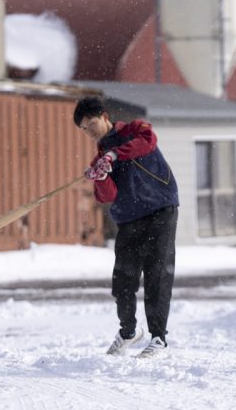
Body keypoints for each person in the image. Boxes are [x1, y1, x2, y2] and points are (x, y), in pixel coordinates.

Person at [73, 96, 179, 359]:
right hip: (129, 219)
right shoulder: (99, 159)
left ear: (105, 116)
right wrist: (101, 176)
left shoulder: (136, 130)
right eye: (83, 129)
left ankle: (158, 339)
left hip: (160, 210)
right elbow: (107, 197)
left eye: (92, 123)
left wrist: (114, 154)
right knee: (123, 280)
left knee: (157, 275)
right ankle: (129, 331)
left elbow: (146, 144)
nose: (89, 131)